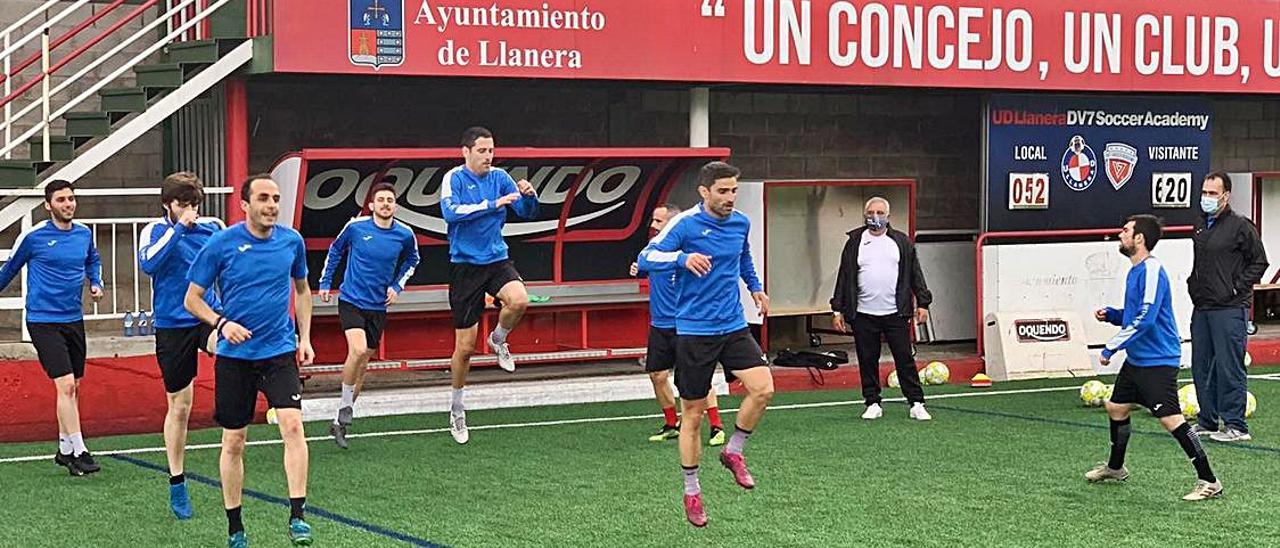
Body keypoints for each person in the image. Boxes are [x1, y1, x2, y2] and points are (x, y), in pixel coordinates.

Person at [638, 161, 774, 528]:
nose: (731, 198)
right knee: (694, 415)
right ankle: (692, 490)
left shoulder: (740, 223)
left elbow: (743, 258)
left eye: (734, 191)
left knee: (763, 389)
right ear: (704, 192)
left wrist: (755, 288)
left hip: (732, 326)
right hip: (694, 332)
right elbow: (646, 258)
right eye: (723, 192)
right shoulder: (685, 225)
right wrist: (683, 258)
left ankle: (734, 451)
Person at [184, 175, 316, 547]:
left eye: (275, 198)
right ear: (244, 205)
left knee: (292, 427)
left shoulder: (292, 242)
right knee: (234, 441)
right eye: (263, 198)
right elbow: (192, 299)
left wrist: (304, 338)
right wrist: (222, 324)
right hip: (235, 358)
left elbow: (303, 290)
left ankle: (298, 515)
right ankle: (235, 525)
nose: (272, 204)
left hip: (278, 353)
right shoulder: (221, 244)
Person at [1086, 214, 1222, 501]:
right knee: (1116, 407)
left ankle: (1209, 481)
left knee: (1171, 419)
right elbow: (1137, 314)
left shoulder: (1151, 270)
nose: (1120, 234)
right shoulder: (1135, 271)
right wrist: (1114, 315)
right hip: (1138, 359)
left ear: (1139, 239)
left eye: (1125, 230)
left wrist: (1111, 346)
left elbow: (1146, 318)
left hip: (1158, 359)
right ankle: (1116, 468)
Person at [440, 126, 539, 444]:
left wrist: (528, 196)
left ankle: (499, 339)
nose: (488, 156)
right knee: (466, 350)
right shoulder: (453, 178)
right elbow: (450, 213)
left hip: (496, 259)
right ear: (466, 151)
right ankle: (457, 409)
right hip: (464, 266)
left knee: (519, 300)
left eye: (491, 150)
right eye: (482, 150)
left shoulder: (500, 176)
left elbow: (524, 213)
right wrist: (492, 204)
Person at [0, 179, 103, 476]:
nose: (68, 204)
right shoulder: (33, 237)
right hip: (43, 320)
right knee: (66, 385)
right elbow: (9, 270)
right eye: (61, 200)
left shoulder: (84, 234)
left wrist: (95, 282)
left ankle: (64, 448)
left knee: (75, 387)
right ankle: (80, 450)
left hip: (73, 318)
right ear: (48, 205)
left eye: (71, 199)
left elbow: (92, 261)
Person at [138, 171, 222, 518]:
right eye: (182, 204)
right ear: (167, 205)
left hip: (207, 315)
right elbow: (148, 264)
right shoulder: (156, 230)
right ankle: (177, 480)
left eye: (194, 204)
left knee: (230, 347)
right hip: (172, 324)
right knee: (181, 405)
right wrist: (179, 229)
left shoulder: (213, 228)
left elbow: (229, 263)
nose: (190, 211)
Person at [319, 182, 420, 449]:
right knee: (358, 349)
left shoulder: (404, 234)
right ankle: (344, 408)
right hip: (351, 300)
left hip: (378, 306)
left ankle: (340, 420)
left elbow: (413, 260)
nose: (386, 204)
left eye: (390, 200)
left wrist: (397, 285)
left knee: (363, 363)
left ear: (394, 205)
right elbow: (335, 250)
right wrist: (325, 282)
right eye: (381, 200)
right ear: (372, 205)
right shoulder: (356, 227)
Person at [829, 197, 933, 421]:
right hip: (864, 313)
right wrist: (837, 309)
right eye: (871, 212)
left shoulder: (901, 242)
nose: (875, 216)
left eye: (879, 212)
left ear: (888, 215)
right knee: (867, 359)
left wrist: (923, 303)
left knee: (904, 358)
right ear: (864, 215)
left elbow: (915, 273)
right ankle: (872, 402)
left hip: (896, 312)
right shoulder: (855, 242)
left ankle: (916, 402)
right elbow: (844, 277)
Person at [631, 203, 725, 446]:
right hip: (660, 324)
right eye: (653, 220)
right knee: (657, 374)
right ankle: (671, 423)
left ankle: (716, 427)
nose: (653, 226)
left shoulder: (691, 254)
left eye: (659, 222)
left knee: (695, 377)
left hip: (686, 324)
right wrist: (638, 269)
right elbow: (642, 265)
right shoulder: (654, 252)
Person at [1188, 171, 1268, 443]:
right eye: (1204, 192)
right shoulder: (1200, 224)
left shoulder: (1241, 226)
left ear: (1226, 196)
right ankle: (1208, 421)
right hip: (1203, 307)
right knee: (1201, 365)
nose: (1207, 198)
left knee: (1229, 366)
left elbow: (1260, 262)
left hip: (1230, 308)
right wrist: (1194, 286)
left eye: (1212, 193)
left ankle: (1236, 426)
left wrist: (1235, 287)